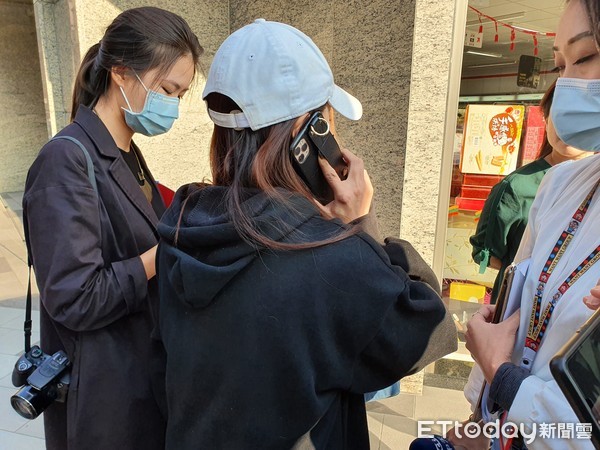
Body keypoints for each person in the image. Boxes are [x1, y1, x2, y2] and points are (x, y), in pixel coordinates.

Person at [156, 19, 457, 449]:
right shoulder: (335, 258)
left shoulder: (180, 230)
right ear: (308, 134)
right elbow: (427, 328)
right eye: (328, 123)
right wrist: (361, 225)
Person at [22, 7, 202, 449]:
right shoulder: (64, 160)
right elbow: (75, 296)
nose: (172, 106)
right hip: (106, 398)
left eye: (179, 95)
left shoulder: (127, 154)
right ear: (122, 73)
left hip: (142, 379)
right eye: (166, 90)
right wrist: (160, 256)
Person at [461, 0, 600, 448]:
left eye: (583, 57)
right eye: (559, 64)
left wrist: (502, 377)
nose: (565, 85)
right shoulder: (562, 183)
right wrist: (478, 417)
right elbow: (513, 291)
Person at [470, 80, 592, 304]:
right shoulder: (516, 187)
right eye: (558, 114)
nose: (566, 126)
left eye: (578, 116)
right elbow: (491, 256)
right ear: (545, 120)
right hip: (521, 311)